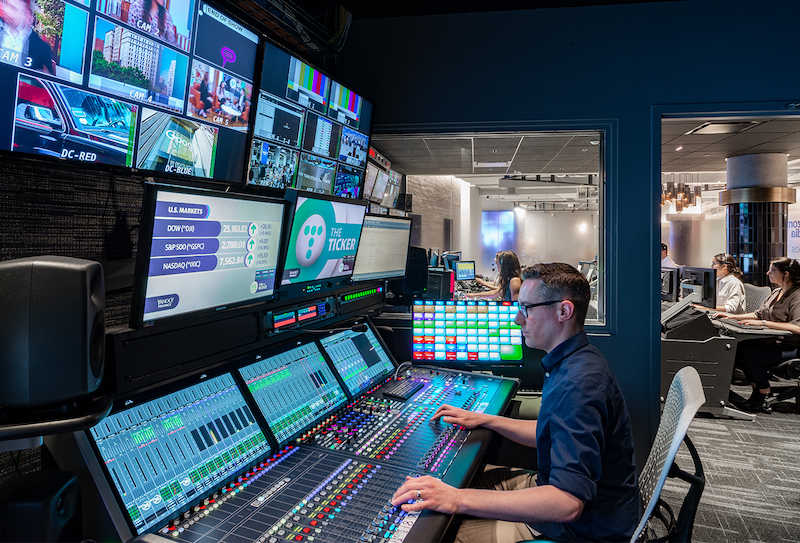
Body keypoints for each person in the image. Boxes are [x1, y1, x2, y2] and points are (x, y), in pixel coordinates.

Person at [392, 263, 641, 543]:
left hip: (582, 529)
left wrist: (458, 500)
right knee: (451, 482)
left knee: (442, 532)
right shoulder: (573, 361)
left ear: (564, 311)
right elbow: (550, 432)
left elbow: (567, 503)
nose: (516, 319)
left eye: (526, 308)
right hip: (569, 500)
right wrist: (486, 420)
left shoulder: (579, 385)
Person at [713, 257, 800, 413]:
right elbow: (758, 314)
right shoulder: (777, 292)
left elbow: (797, 327)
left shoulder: (797, 296)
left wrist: (764, 324)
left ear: (786, 274)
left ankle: (764, 394)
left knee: (750, 355)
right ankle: (757, 391)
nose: (768, 273)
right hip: (773, 342)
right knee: (738, 348)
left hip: (792, 346)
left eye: (772, 270)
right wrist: (731, 317)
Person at [0, 0, 54, 74]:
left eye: (14, 8)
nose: (7, 10)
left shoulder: (42, 48)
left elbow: (46, 80)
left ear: (26, 14)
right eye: (6, 5)